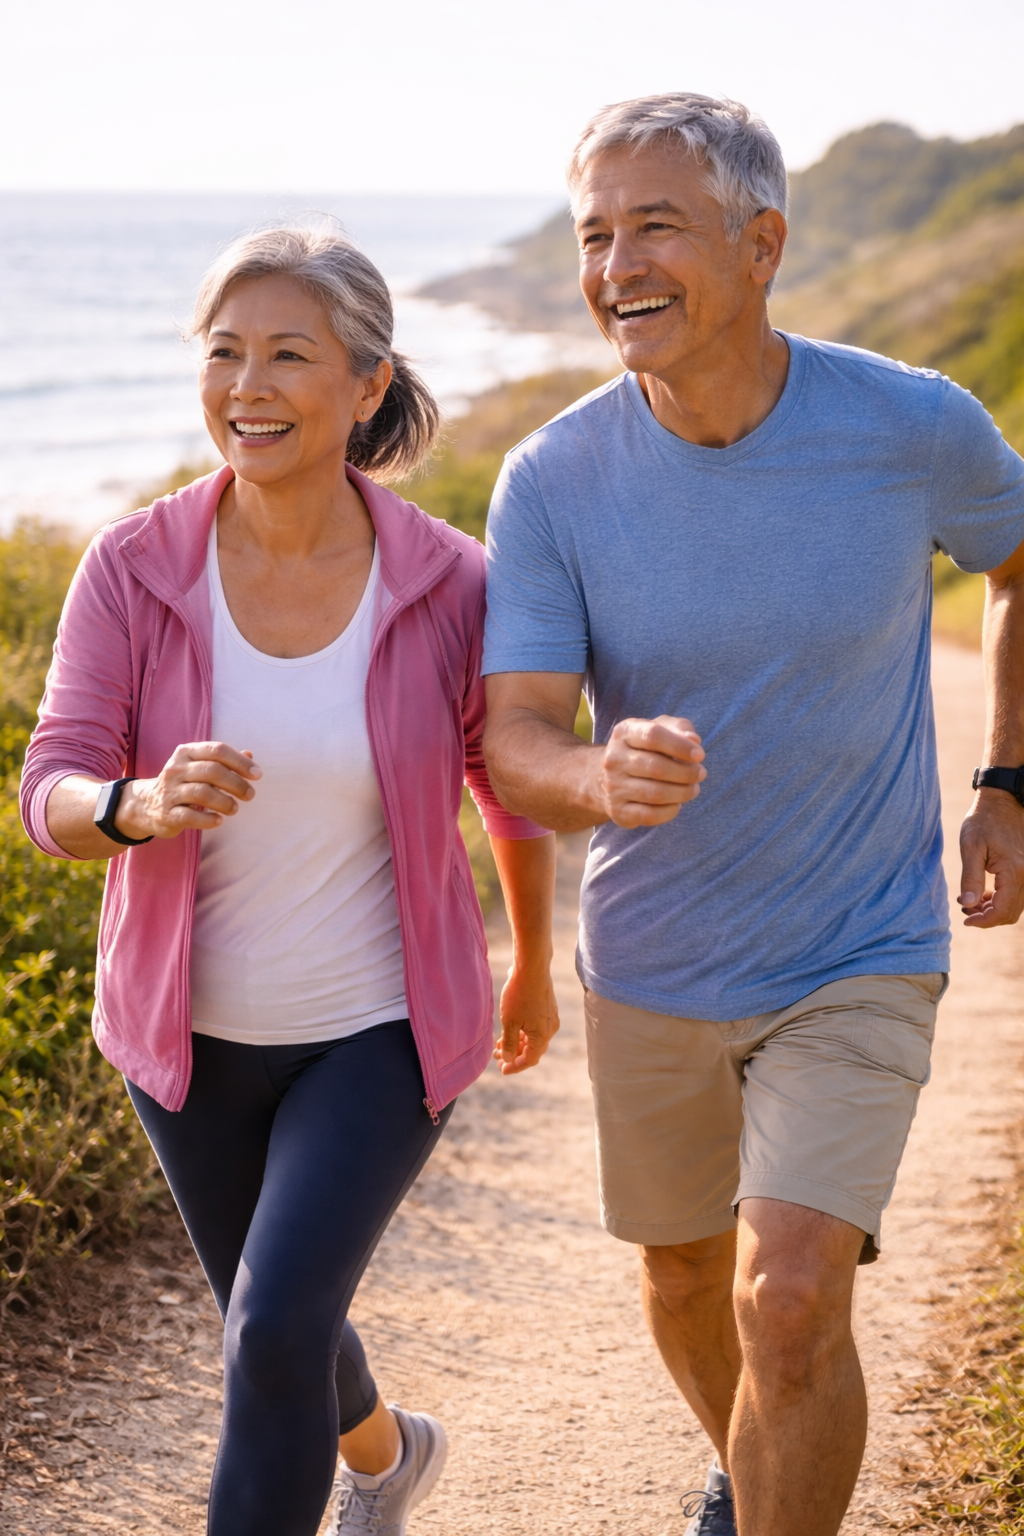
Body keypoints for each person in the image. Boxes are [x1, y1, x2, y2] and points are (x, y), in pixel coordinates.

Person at [481, 93, 1024, 1536]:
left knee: (787, 1297)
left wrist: (1010, 781)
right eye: (597, 235)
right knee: (681, 1276)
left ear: (762, 241)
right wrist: (597, 777)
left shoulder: (909, 426)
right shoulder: (551, 481)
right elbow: (515, 735)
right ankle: (751, 1462)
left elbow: (1020, 560)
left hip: (859, 946)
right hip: (654, 963)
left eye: (655, 225)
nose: (615, 267)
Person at [20, 225, 560, 1536]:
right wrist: (137, 805)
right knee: (284, 1317)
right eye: (222, 353)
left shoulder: (449, 585)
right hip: (184, 1041)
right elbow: (54, 788)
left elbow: (511, 786)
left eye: (286, 356)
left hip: (377, 1032)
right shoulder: (135, 569)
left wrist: (534, 963)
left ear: (367, 383)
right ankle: (388, 1458)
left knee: (268, 1323)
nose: (245, 386)